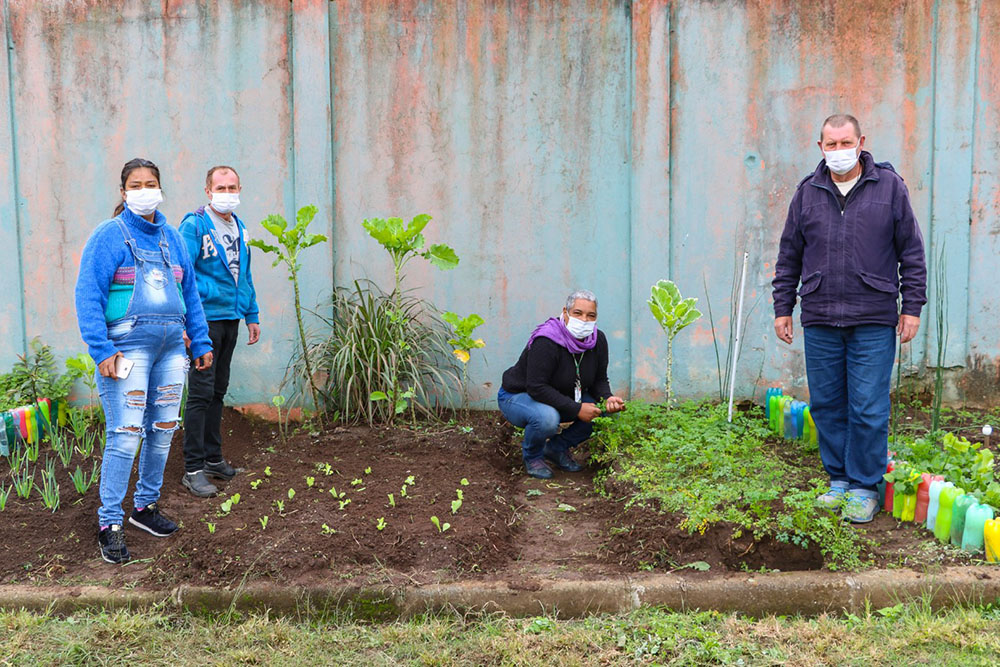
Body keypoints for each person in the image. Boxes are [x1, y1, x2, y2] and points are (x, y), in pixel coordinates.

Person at [772, 114, 927, 523]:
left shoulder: (889, 188)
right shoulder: (807, 192)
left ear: (861, 142)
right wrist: (783, 307)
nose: (838, 151)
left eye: (845, 143)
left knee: (869, 407)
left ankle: (863, 485)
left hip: (873, 318)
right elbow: (789, 255)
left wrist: (911, 307)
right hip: (821, 315)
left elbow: (911, 252)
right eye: (830, 144)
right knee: (827, 404)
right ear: (819, 147)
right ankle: (838, 479)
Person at [76, 158, 214, 564]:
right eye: (135, 184)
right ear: (123, 192)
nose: (144, 190)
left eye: (150, 183)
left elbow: (190, 295)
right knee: (125, 433)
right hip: (125, 351)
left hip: (172, 350)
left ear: (160, 187)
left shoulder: (171, 237)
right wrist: (101, 350)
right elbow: (88, 295)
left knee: (163, 428)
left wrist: (201, 341)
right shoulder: (109, 236)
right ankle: (109, 523)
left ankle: (144, 508)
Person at [178, 166, 261, 497]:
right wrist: (186, 323)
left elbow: (245, 274)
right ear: (208, 191)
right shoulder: (195, 225)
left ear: (240, 187)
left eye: (232, 187)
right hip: (203, 321)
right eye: (220, 187)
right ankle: (192, 469)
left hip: (231, 319)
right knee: (200, 393)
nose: (227, 192)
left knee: (217, 390)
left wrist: (251, 313)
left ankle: (213, 460)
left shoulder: (239, 227)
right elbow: (179, 273)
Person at [498, 290, 626, 479]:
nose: (584, 320)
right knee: (547, 419)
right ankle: (533, 456)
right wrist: (576, 408)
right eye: (578, 313)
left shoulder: (598, 340)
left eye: (591, 315)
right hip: (519, 397)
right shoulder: (546, 340)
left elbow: (599, 379)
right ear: (565, 313)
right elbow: (536, 387)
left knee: (602, 411)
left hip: (562, 397)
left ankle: (556, 449)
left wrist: (608, 398)